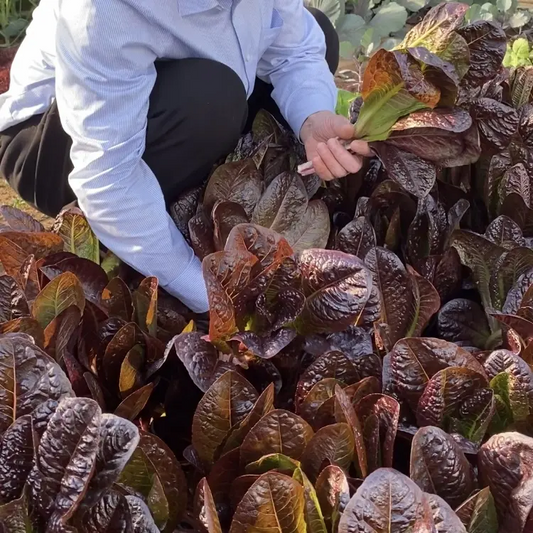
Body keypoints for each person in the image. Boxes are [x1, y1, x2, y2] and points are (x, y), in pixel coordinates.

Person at [0, 0, 371, 313]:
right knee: (211, 98)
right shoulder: (102, 10)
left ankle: (187, 180)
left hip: (190, 92)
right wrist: (199, 287)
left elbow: (295, 48)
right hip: (49, 145)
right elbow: (107, 177)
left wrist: (312, 119)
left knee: (320, 33)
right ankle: (150, 222)